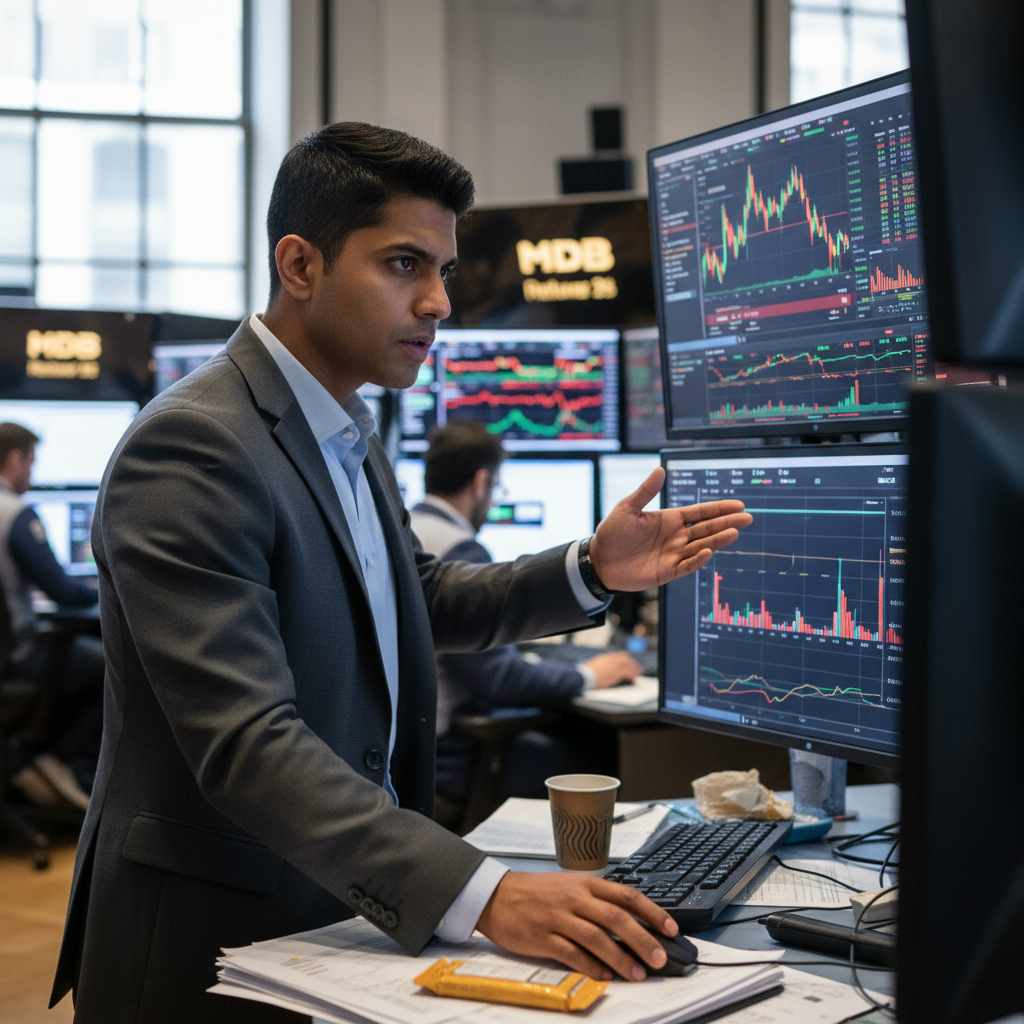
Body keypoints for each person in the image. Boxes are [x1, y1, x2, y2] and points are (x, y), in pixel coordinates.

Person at [52, 123, 752, 1024]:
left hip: (339, 905)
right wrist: (488, 895)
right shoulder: (194, 445)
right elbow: (245, 744)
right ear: (300, 265)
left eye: (446, 272)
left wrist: (589, 567)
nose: (437, 303)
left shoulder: (346, 423)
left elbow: (412, 601)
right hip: (215, 940)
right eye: (403, 266)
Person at [410, 421, 641, 807]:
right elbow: (498, 678)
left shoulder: (405, 530)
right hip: (444, 757)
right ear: (482, 483)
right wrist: (588, 675)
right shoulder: (457, 549)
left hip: (408, 744)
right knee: (591, 752)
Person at [0, 422, 102, 811]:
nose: (33, 473)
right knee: (116, 666)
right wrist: (103, 589)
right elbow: (63, 591)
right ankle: (54, 758)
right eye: (31, 462)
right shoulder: (16, 516)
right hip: (19, 658)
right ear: (15, 459)